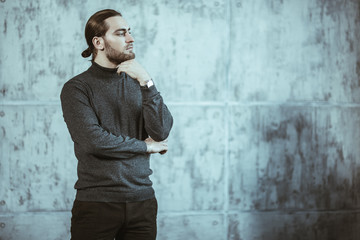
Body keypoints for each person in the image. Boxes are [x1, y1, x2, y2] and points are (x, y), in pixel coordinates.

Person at [60, 9, 173, 240]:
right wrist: (145, 147)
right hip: (96, 204)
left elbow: (161, 131)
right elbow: (94, 141)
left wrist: (147, 83)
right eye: (121, 33)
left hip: (142, 201)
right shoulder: (77, 88)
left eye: (129, 32)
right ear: (98, 42)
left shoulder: (140, 83)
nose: (130, 39)